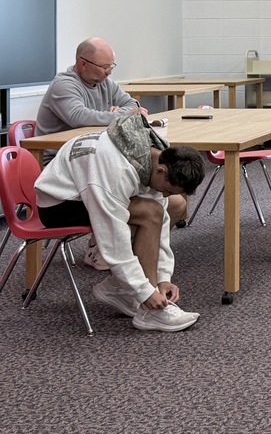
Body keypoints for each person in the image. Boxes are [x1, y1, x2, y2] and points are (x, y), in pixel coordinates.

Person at [35, 114, 206, 332]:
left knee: (166, 207)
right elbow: (113, 239)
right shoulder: (114, 172)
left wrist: (164, 277)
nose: (164, 193)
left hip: (82, 189)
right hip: (58, 203)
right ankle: (150, 311)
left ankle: (120, 288)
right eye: (166, 188)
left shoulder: (156, 154)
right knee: (149, 212)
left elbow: (162, 223)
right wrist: (145, 291)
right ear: (161, 171)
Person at [35, 37, 173, 271]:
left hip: (96, 162)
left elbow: (134, 105)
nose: (109, 72)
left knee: (172, 199)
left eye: (111, 66)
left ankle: (113, 244)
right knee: (149, 203)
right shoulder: (64, 85)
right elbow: (79, 117)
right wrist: (118, 115)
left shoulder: (104, 82)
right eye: (104, 66)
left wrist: (118, 112)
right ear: (83, 63)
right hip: (63, 171)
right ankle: (110, 245)